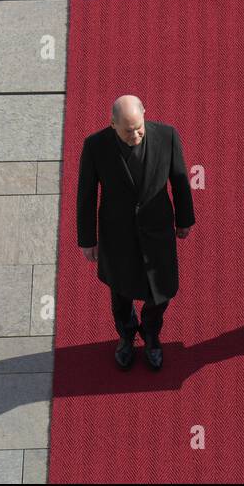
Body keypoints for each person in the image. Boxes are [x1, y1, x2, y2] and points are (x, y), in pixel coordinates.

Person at [77, 95, 194, 371]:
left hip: (158, 231)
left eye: (139, 127)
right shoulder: (95, 146)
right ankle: (127, 335)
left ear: (144, 114)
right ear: (113, 124)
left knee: (162, 292)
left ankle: (151, 334)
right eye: (128, 130)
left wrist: (185, 219)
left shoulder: (167, 136)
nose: (135, 134)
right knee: (120, 292)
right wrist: (87, 240)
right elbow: (86, 194)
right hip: (117, 236)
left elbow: (179, 180)